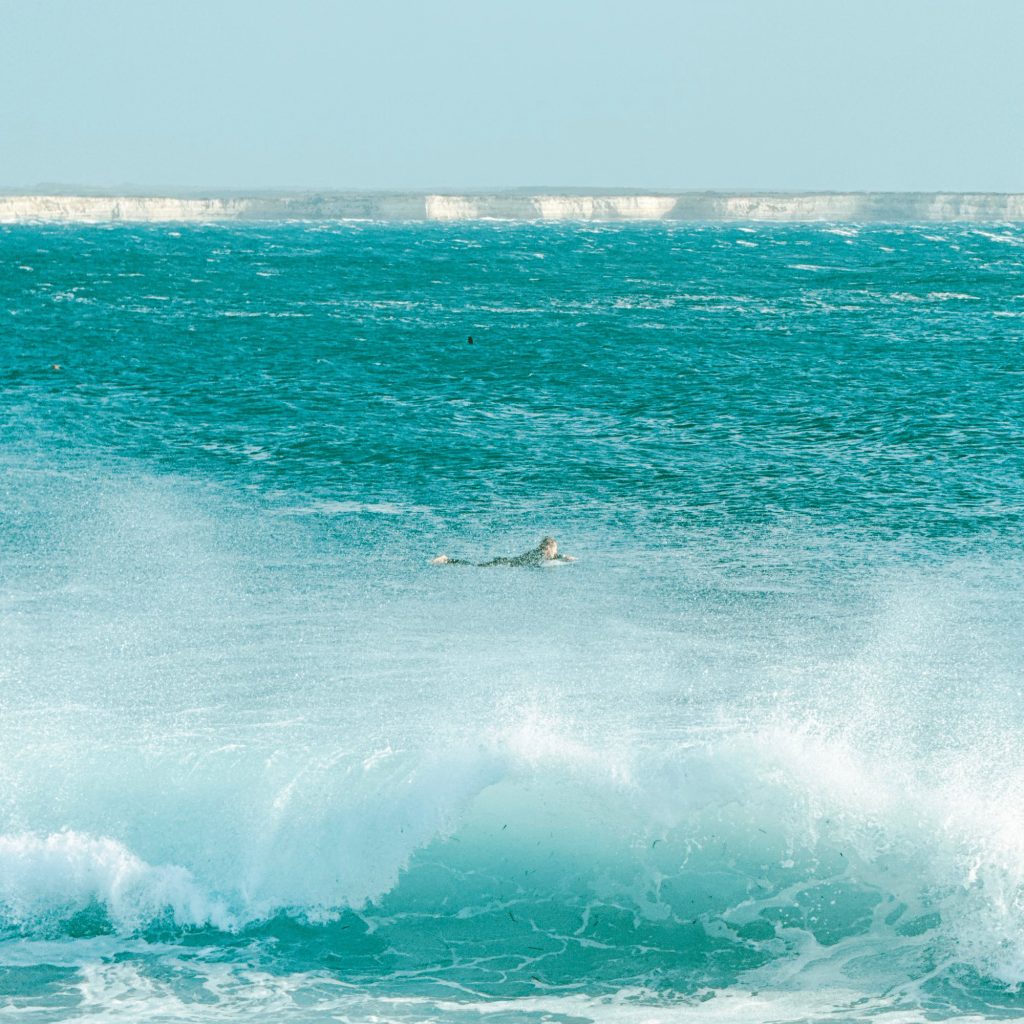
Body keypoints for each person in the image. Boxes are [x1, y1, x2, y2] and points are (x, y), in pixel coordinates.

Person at [431, 536, 575, 567]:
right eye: (555, 548)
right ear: (548, 548)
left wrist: (564, 557)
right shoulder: (541, 553)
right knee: (475, 566)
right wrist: (566, 558)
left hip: (506, 562)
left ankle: (448, 560)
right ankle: (446, 559)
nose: (556, 551)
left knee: (475, 565)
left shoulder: (540, 553)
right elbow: (554, 556)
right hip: (505, 563)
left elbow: (554, 557)